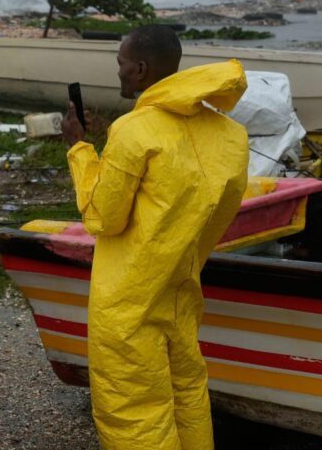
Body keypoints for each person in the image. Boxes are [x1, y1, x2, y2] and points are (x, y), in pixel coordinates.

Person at [61, 25, 249, 450]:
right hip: (181, 287)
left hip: (129, 300)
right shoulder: (230, 135)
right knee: (188, 395)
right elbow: (216, 210)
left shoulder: (134, 130)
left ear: (141, 69)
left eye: (122, 64)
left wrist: (79, 148)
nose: (119, 72)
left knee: (135, 411)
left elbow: (103, 218)